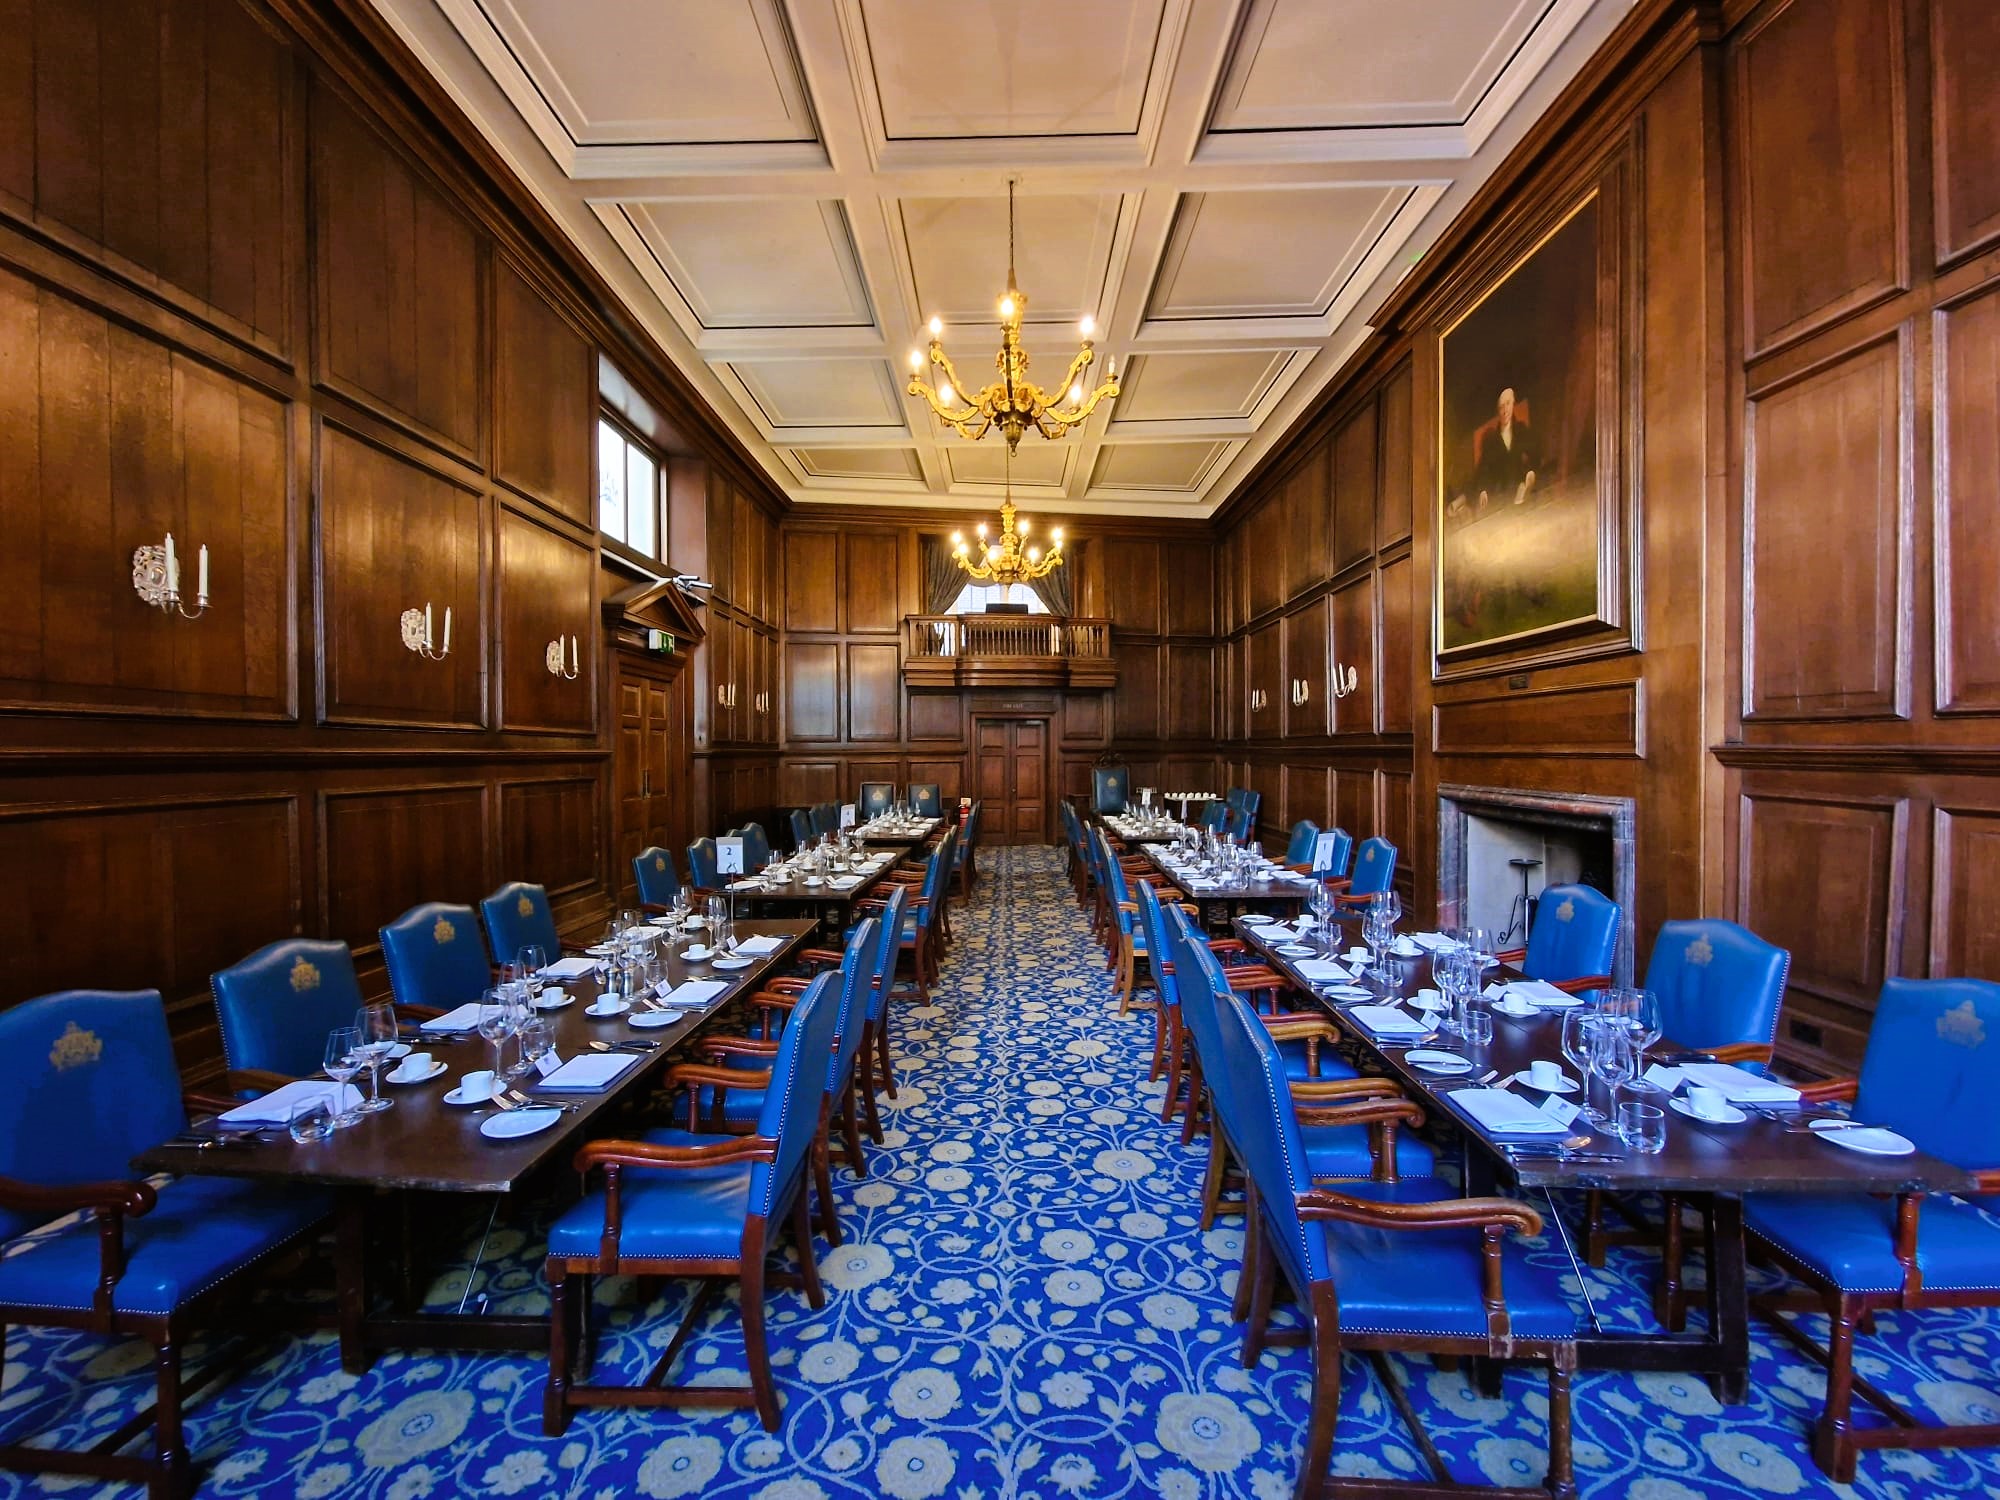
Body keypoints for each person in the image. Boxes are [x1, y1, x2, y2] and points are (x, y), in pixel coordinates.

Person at [1471, 387, 1538, 509]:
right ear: (1498, 410)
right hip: (1503, 497)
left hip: (1523, 493)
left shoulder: (1522, 430)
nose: (1505, 410)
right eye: (1501, 406)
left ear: (1513, 404)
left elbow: (1535, 454)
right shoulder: (1492, 442)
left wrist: (1531, 472)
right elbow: (1484, 470)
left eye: (1508, 404)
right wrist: (1483, 490)